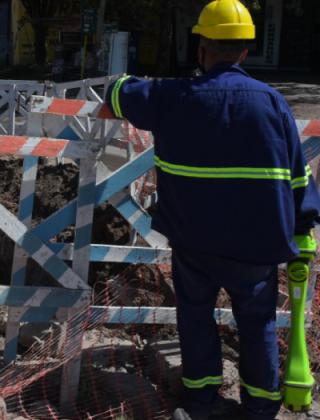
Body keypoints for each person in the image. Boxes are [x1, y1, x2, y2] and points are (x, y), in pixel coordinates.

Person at [104, 1, 320, 419]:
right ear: (244, 51)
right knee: (256, 324)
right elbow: (298, 178)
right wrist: (304, 226)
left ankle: (201, 400)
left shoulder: (171, 97)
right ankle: (259, 406)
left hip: (194, 242)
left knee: (195, 317)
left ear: (201, 47)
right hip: (256, 247)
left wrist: (129, 77)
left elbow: (116, 91)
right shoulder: (274, 104)